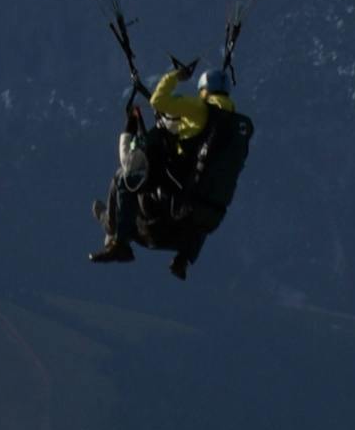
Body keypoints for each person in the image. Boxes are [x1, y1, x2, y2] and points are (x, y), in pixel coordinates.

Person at [89, 43, 252, 278]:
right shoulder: (234, 126)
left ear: (204, 90)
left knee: (124, 180)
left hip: (174, 181)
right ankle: (183, 260)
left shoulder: (199, 108)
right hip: (205, 204)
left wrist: (176, 76)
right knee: (204, 191)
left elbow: (158, 101)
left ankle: (120, 244)